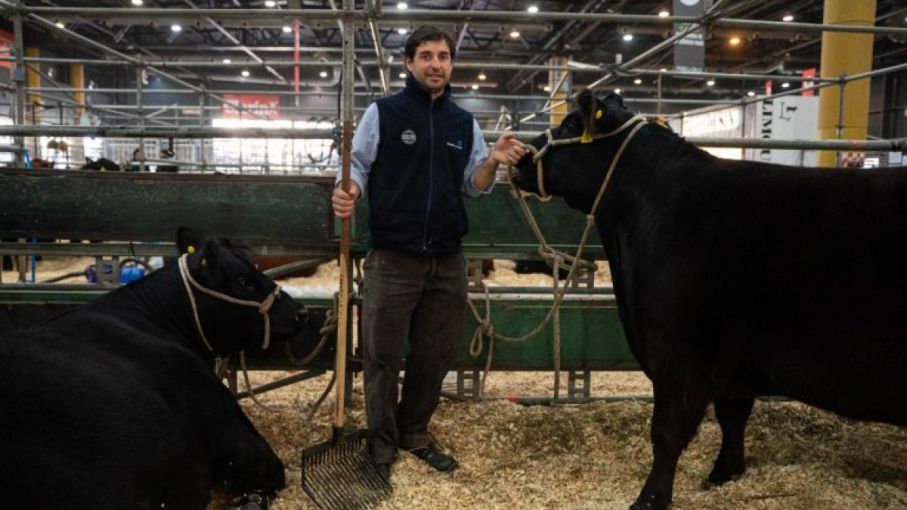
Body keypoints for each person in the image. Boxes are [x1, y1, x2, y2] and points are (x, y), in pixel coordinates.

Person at [331, 25, 526, 483]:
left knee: (435, 354)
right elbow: (356, 163)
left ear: (452, 64)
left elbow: (473, 189)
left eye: (443, 56)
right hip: (392, 258)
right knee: (380, 355)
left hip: (446, 259)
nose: (435, 64)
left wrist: (493, 162)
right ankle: (381, 440)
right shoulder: (384, 113)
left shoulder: (464, 123)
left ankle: (413, 432)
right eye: (426, 56)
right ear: (409, 63)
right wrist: (347, 188)